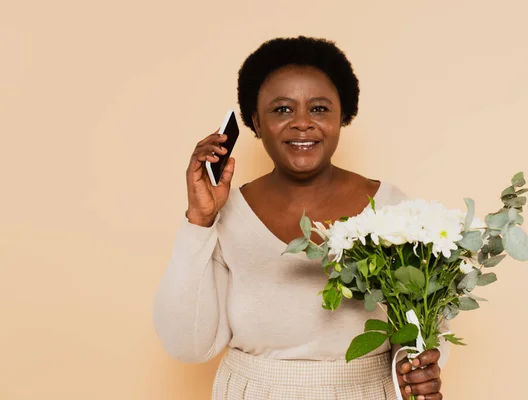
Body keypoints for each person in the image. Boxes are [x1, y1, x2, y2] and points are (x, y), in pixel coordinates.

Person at [153, 36, 447, 400]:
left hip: (367, 391)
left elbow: (422, 325)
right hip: (252, 391)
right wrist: (199, 220)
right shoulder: (226, 214)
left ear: (344, 116)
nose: (303, 124)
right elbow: (188, 344)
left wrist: (415, 370)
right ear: (256, 122)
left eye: (320, 109)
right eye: (282, 110)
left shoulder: (392, 209)